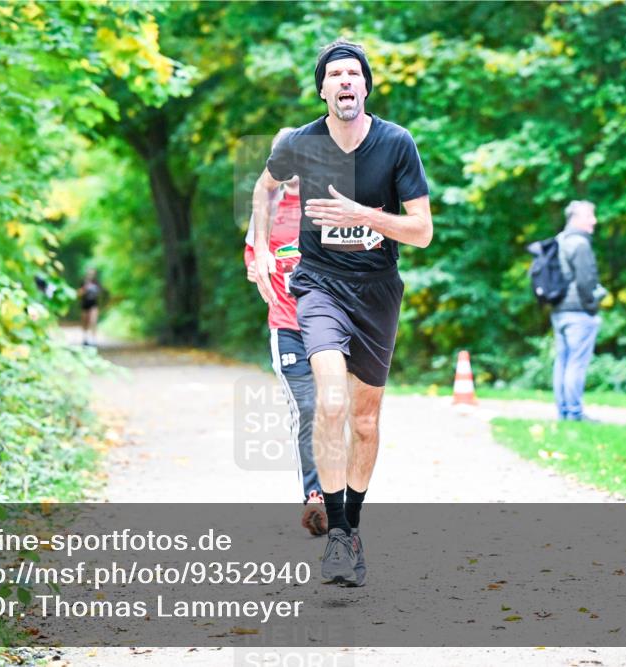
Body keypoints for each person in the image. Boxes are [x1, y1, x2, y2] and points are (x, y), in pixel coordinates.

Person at [251, 40, 433, 586]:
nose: (346, 80)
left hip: (377, 290)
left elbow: (421, 232)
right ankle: (335, 534)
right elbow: (264, 188)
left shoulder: (396, 143)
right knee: (330, 401)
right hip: (320, 285)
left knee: (364, 420)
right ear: (323, 90)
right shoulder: (301, 143)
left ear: (366, 86)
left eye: (354, 73)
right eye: (335, 74)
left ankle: (351, 526)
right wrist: (262, 249)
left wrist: (364, 215)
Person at [245, 128, 327, 537]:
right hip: (286, 326)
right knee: (308, 408)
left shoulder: (326, 203)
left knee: (336, 409)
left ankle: (341, 490)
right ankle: (316, 496)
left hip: (329, 325)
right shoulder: (267, 207)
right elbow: (252, 256)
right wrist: (257, 268)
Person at [551, 200, 606, 421]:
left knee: (563, 361)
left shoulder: (559, 241)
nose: (594, 221)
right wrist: (592, 306)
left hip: (559, 310)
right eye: (589, 216)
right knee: (576, 362)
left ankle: (564, 411)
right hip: (578, 311)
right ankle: (575, 413)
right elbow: (586, 282)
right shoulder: (580, 244)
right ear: (576, 218)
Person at [79, 269, 106, 347]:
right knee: (85, 321)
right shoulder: (83, 282)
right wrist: (84, 289)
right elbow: (79, 293)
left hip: (94, 304)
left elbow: (101, 293)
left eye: (92, 273)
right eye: (89, 273)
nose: (90, 275)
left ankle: (93, 339)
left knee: (93, 321)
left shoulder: (96, 283)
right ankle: (85, 338)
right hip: (85, 304)